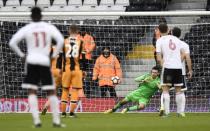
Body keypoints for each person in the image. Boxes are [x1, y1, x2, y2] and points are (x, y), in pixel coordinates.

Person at [9, 7, 64, 127]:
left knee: (32, 91)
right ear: (41, 15)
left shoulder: (27, 28)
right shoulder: (48, 27)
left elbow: (12, 43)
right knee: (51, 91)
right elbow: (60, 41)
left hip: (31, 61)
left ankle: (37, 121)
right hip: (45, 60)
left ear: (31, 16)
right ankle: (56, 121)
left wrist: (22, 55)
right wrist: (53, 55)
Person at [156, 23, 192, 117]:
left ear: (159, 31)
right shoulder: (177, 40)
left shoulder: (159, 41)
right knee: (179, 90)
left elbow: (159, 58)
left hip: (168, 67)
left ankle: (167, 113)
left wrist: (164, 65)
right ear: (168, 29)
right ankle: (180, 112)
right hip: (178, 67)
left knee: (165, 90)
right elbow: (184, 54)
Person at [59, 25, 86, 118]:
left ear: (69, 31)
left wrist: (60, 69)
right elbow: (84, 59)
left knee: (65, 90)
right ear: (78, 31)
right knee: (75, 90)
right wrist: (84, 70)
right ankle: (71, 113)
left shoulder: (63, 42)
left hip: (66, 69)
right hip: (77, 69)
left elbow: (59, 57)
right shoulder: (81, 42)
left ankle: (63, 113)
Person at [41, 45, 62, 115]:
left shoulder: (49, 48)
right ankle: (70, 110)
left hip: (51, 71)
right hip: (61, 72)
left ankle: (46, 106)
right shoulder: (63, 47)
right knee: (68, 89)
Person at [80, 31, 96, 97]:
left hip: (87, 58)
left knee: (87, 77)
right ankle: (81, 93)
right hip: (79, 58)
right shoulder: (77, 37)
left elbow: (93, 45)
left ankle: (88, 94)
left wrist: (87, 50)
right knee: (80, 76)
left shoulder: (89, 37)